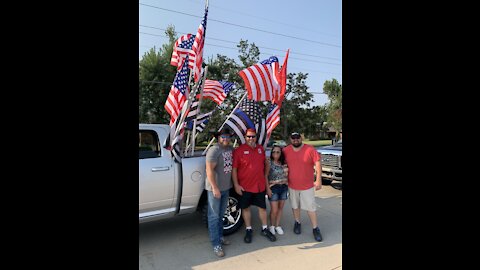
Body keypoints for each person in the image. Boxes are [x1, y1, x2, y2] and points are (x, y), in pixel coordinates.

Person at [232, 128, 276, 243]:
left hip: (259, 186)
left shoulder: (261, 149)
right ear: (245, 137)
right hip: (245, 186)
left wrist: (265, 178)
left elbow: (265, 166)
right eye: (249, 136)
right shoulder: (239, 151)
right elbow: (234, 169)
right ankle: (248, 229)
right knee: (246, 208)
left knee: (262, 208)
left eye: (253, 136)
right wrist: (236, 185)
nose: (251, 139)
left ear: (256, 137)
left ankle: (265, 229)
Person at [283, 132, 323, 242]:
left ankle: (315, 228)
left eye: (297, 137)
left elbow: (318, 163)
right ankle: (297, 222)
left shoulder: (310, 149)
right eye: (293, 138)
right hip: (292, 185)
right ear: (290, 139)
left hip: (307, 186)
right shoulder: (286, 150)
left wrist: (318, 179)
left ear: (301, 138)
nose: (295, 140)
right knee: (295, 206)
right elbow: (278, 161)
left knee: (311, 208)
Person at [205, 127, 234, 257]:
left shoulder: (230, 149)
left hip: (226, 188)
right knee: (213, 217)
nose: (225, 139)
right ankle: (216, 244)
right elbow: (209, 170)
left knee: (221, 215)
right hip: (214, 189)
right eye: (223, 137)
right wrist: (215, 187)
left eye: (227, 137)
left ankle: (220, 236)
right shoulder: (214, 150)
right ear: (218, 138)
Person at [265, 145, 289, 236]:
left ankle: (277, 225)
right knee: (274, 209)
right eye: (274, 152)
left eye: (278, 152)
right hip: (273, 188)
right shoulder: (269, 163)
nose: (275, 153)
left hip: (284, 187)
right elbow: (265, 176)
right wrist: (267, 189)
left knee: (280, 208)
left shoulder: (284, 163)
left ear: (281, 153)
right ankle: (272, 226)